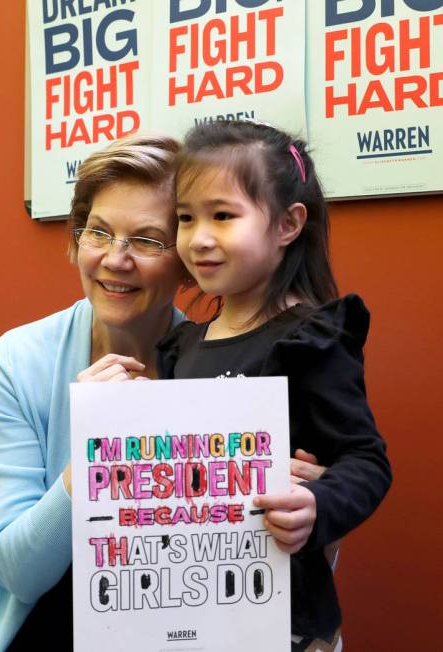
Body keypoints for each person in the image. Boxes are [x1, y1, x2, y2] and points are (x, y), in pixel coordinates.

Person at [156, 120, 392, 651]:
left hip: (285, 622)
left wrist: (317, 502)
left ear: (288, 224)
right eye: (185, 218)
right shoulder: (181, 345)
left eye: (223, 215)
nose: (198, 238)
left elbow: (366, 460)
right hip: (189, 609)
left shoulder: (312, 338)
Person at [0, 133, 188, 651]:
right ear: (75, 240)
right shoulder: (15, 363)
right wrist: (93, 452)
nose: (116, 258)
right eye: (99, 232)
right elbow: (17, 572)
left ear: (188, 257)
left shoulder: (221, 371)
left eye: (149, 240)